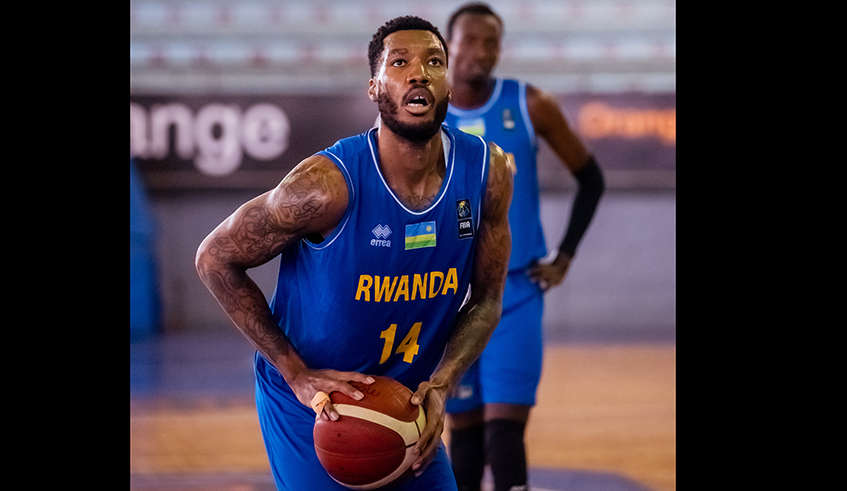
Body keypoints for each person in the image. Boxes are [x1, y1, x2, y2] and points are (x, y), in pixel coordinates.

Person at [195, 15, 514, 491]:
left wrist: (443, 384)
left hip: (402, 404)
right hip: (313, 406)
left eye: (433, 61)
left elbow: (486, 300)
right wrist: (296, 373)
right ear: (374, 87)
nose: (418, 73)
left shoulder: (488, 174)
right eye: (400, 62)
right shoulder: (323, 189)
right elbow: (214, 259)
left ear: (447, 80)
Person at [441, 4, 605, 491]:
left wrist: (565, 256)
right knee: (462, 434)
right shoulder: (425, 112)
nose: (481, 52)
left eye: (491, 42)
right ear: (448, 46)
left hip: (515, 290)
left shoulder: (529, 105)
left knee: (504, 432)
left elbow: (591, 179)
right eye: (470, 40)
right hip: (451, 295)